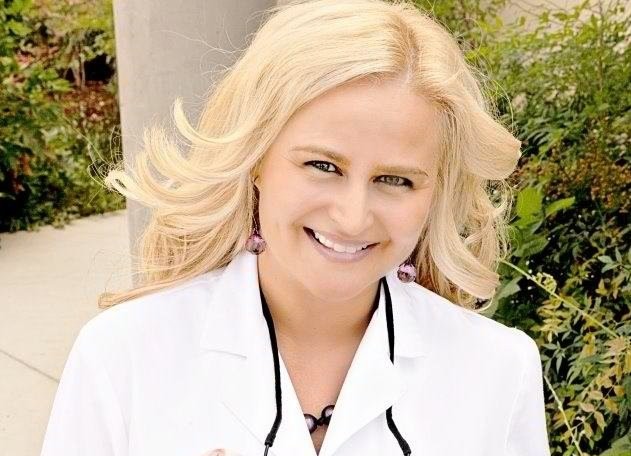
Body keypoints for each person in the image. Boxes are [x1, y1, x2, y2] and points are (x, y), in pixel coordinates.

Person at [40, 0, 551, 455]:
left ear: (434, 193)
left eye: (395, 180)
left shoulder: (498, 370)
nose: (353, 216)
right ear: (255, 160)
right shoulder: (123, 356)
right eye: (322, 166)